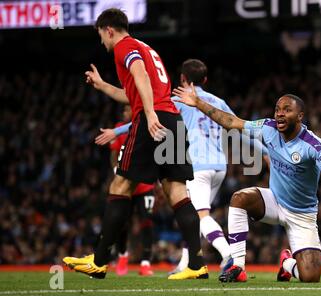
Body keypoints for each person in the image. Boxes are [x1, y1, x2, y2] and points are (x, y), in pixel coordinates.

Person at [63, 8, 207, 280]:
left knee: (120, 184)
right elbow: (134, 93)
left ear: (109, 30)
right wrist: (104, 86)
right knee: (176, 190)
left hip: (151, 119)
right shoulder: (145, 46)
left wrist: (149, 113)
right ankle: (197, 264)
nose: (102, 43)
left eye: (100, 36)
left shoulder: (123, 46)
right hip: (172, 118)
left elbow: (140, 79)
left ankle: (100, 260)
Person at [95, 59, 268, 275]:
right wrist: (265, 152)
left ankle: (229, 255)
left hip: (198, 165)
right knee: (193, 215)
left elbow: (147, 120)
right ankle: (186, 264)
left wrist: (116, 132)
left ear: (183, 79)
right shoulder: (218, 101)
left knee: (199, 215)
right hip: (219, 166)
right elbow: (238, 127)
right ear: (205, 79)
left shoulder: (178, 100)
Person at [173, 85, 321, 283]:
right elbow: (232, 122)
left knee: (310, 277)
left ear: (300, 116)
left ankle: (287, 264)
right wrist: (198, 103)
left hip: (303, 215)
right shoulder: (268, 128)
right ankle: (238, 266)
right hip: (274, 201)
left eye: (287, 110)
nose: (280, 114)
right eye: (277, 109)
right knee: (239, 198)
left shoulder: (312, 145)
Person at [108, 105, 155, 276]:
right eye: (125, 110)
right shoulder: (119, 129)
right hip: (126, 186)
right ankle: (122, 256)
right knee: (122, 222)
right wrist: (115, 170)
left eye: (129, 109)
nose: (127, 112)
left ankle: (145, 262)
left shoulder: (147, 125)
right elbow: (114, 154)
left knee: (147, 222)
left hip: (145, 185)